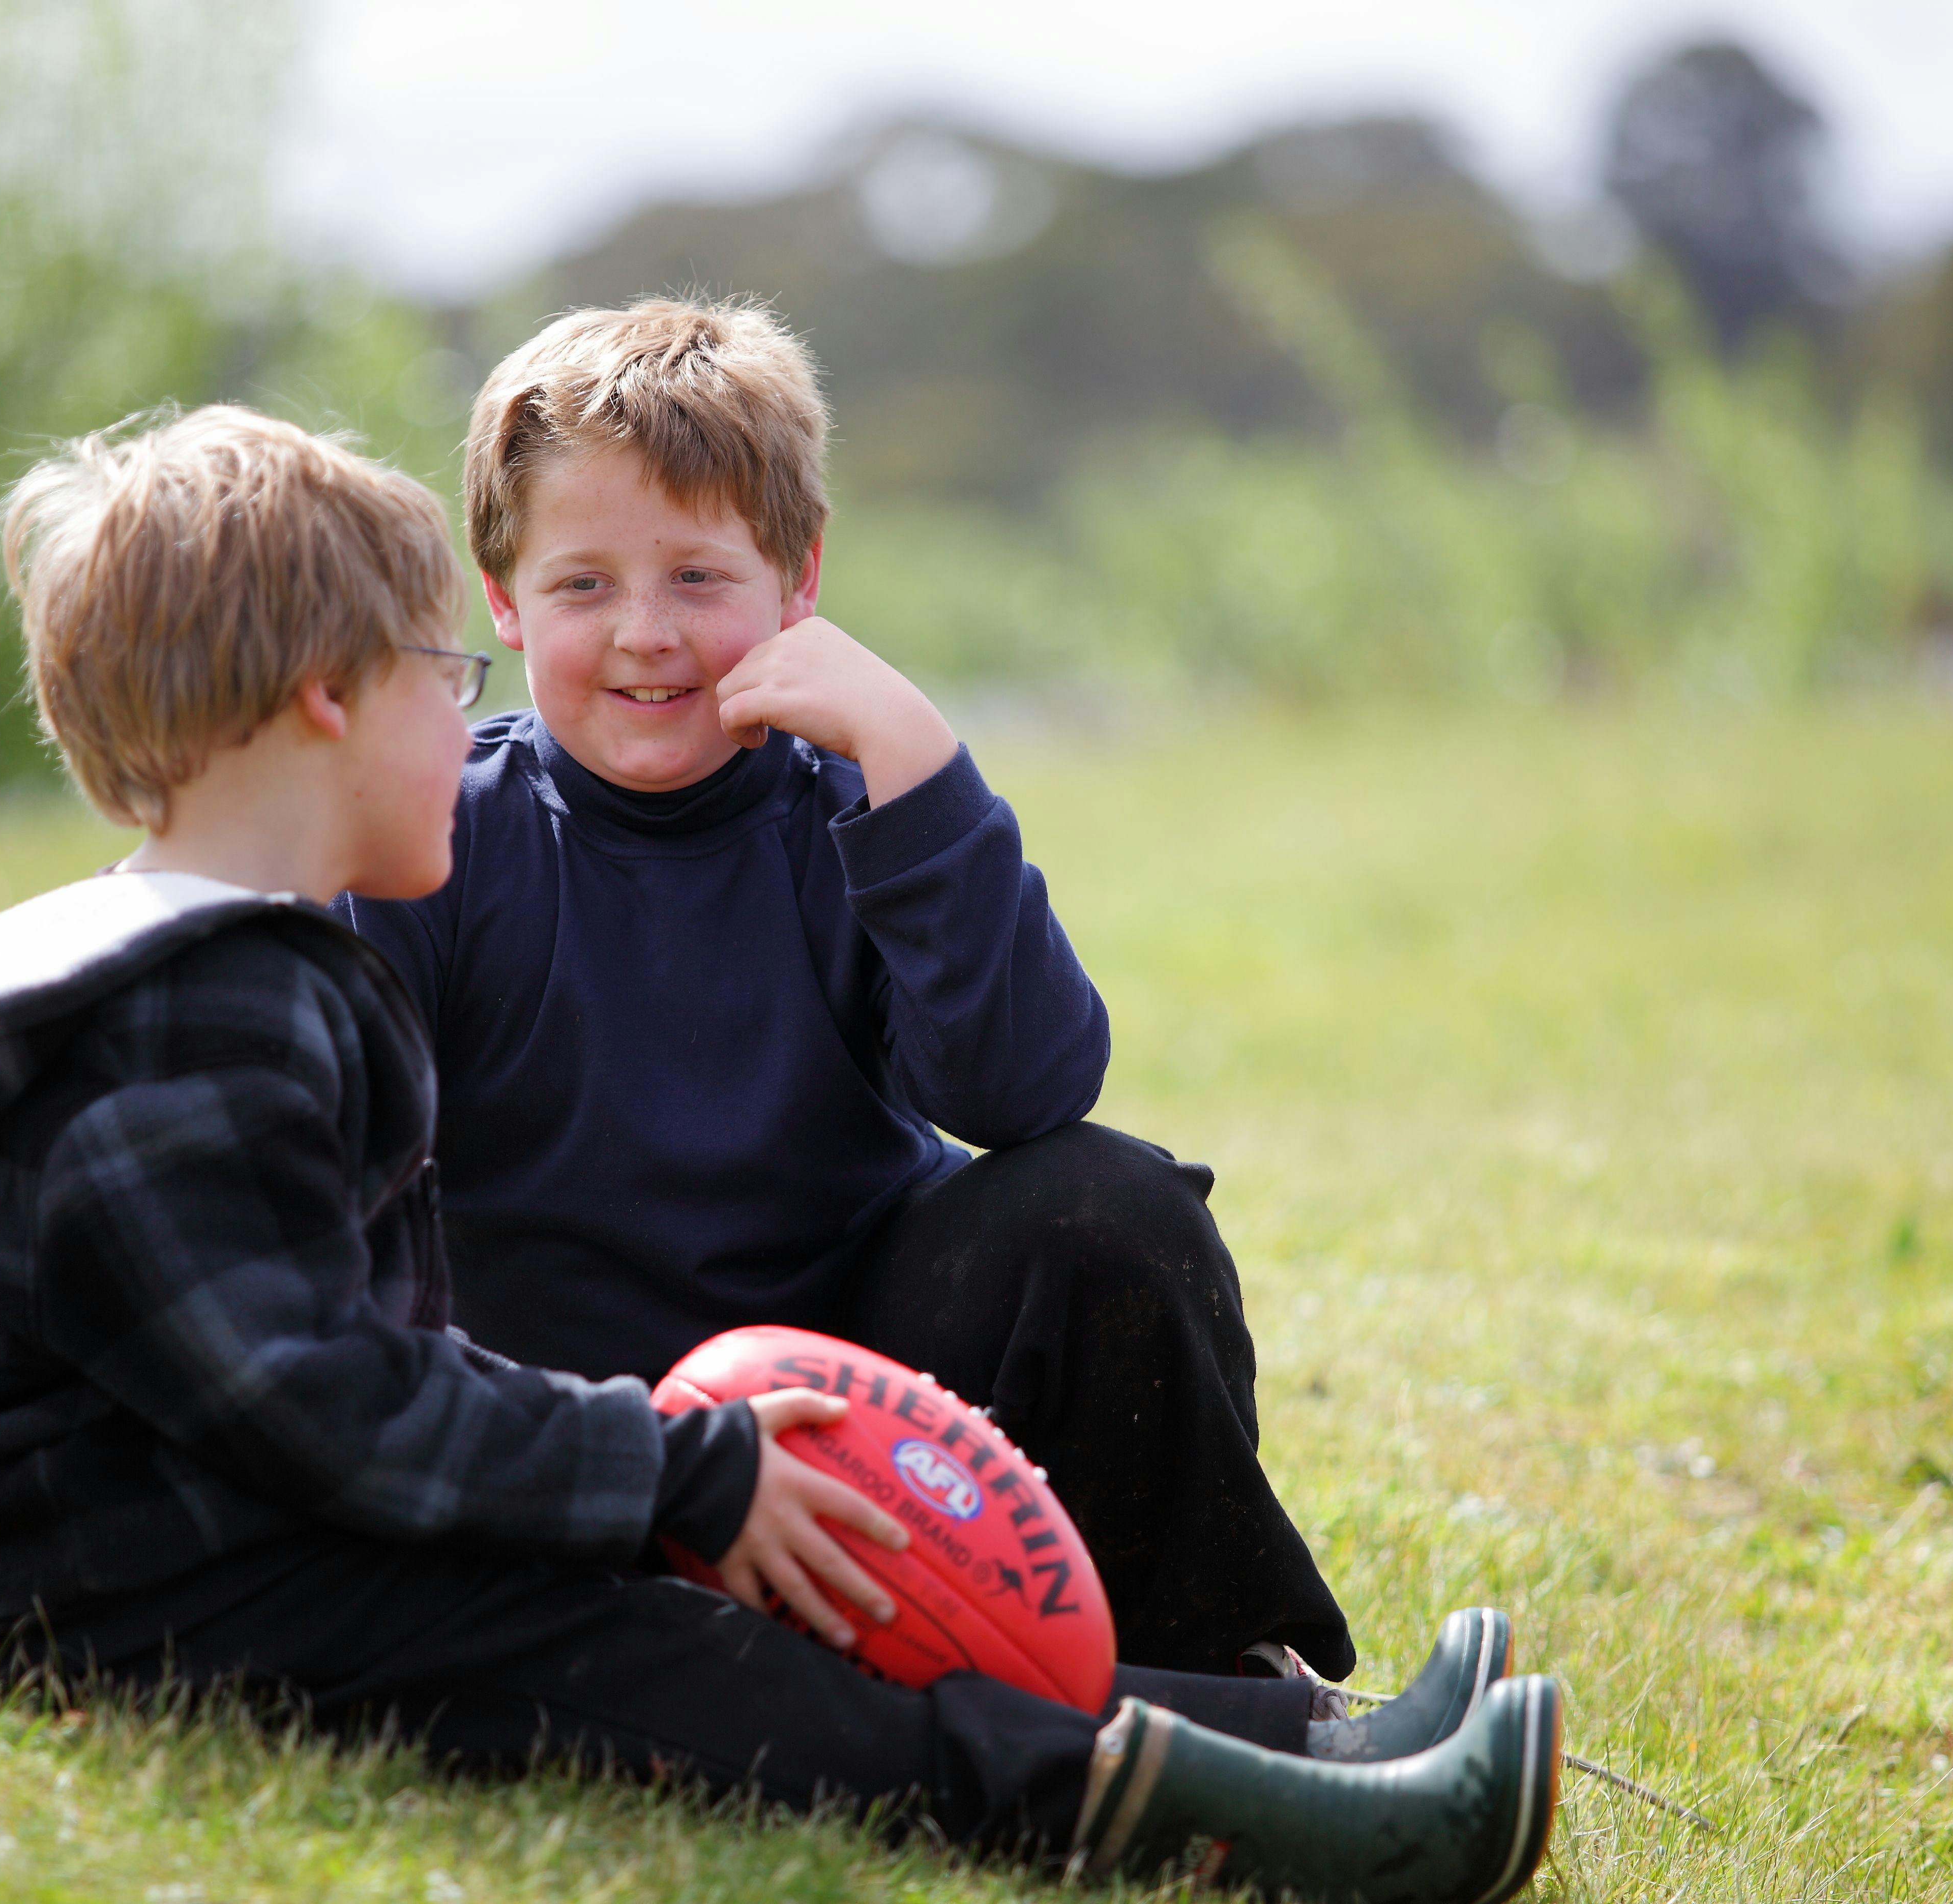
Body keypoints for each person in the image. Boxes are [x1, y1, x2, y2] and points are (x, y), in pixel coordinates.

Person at [0, 405, 1559, 1901]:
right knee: (727, 1691)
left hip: (244, 1544)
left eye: (694, 579)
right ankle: (1272, 1825)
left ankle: (1301, 1736)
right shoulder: (209, 1009)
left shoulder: (114, 959)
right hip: (155, 1594)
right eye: (452, 666)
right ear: (330, 700)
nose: (480, 707)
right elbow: (318, 1396)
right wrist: (666, 1475)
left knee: (740, 1621)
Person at [339, 298, 1348, 1681]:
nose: (645, 633)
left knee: (1108, 1205)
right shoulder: (431, 839)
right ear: (503, 599)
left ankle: (1211, 1676)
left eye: (699, 577)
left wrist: (915, 759)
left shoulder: (855, 805)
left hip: (867, 1419)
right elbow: (335, 1205)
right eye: (583, 587)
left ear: (798, 577)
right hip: (579, 1445)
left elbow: (1028, 1089)